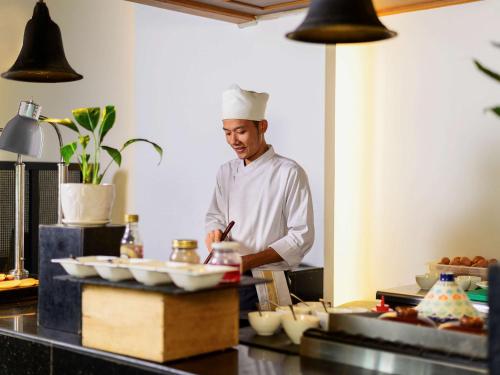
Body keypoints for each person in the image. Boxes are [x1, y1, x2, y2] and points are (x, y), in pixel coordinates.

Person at [205, 84, 314, 310]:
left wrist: (247, 261)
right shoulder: (226, 172)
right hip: (228, 280)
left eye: (241, 131)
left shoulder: (289, 172)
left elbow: (301, 236)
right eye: (227, 132)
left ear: (262, 126)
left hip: (267, 282)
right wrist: (214, 234)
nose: (233, 140)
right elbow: (215, 216)